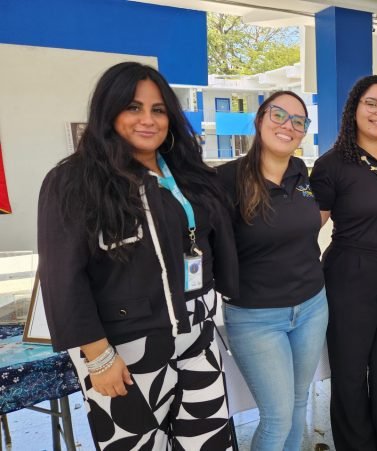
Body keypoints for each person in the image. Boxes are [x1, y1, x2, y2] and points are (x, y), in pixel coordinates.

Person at [37, 62, 238, 450]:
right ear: (108, 111)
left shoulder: (187, 174)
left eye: (158, 109)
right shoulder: (73, 181)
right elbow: (63, 277)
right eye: (133, 107)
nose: (148, 120)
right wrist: (97, 357)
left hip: (197, 334)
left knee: (209, 441)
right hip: (123, 348)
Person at [309, 75, 377, 451]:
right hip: (350, 273)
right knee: (351, 371)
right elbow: (308, 227)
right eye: (371, 103)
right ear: (354, 109)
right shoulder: (331, 165)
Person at [217, 91, 327, 451]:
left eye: (299, 121)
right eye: (279, 115)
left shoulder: (301, 173)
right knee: (277, 415)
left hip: (312, 306)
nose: (288, 125)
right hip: (256, 316)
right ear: (260, 119)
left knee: (297, 405)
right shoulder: (226, 180)